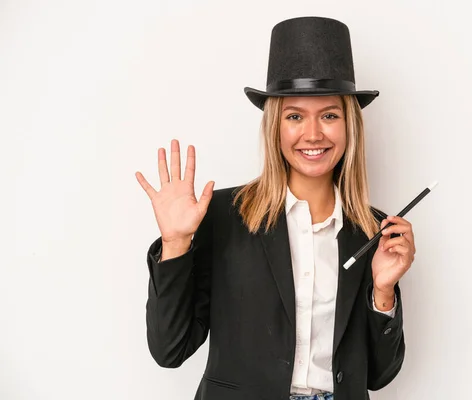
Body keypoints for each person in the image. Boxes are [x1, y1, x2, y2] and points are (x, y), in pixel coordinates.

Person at [135, 16, 415, 400]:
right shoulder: (220, 216)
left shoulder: (375, 231)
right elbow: (169, 350)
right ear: (275, 127)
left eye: (329, 115)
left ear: (350, 125)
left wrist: (383, 291)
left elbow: (379, 376)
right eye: (295, 116)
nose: (313, 134)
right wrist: (176, 244)